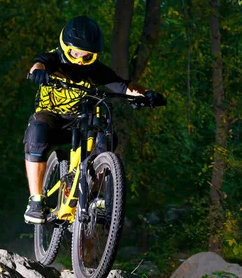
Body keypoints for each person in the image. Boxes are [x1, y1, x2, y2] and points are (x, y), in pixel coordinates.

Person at [23, 15, 157, 224]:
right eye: (76, 54)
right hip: (53, 119)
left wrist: (146, 94)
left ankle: (94, 195)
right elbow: (38, 65)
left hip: (81, 121)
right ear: (64, 47)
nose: (80, 61)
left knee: (107, 136)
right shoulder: (53, 59)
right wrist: (37, 73)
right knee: (37, 131)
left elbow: (123, 86)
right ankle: (36, 201)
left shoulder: (95, 70)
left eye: (87, 57)